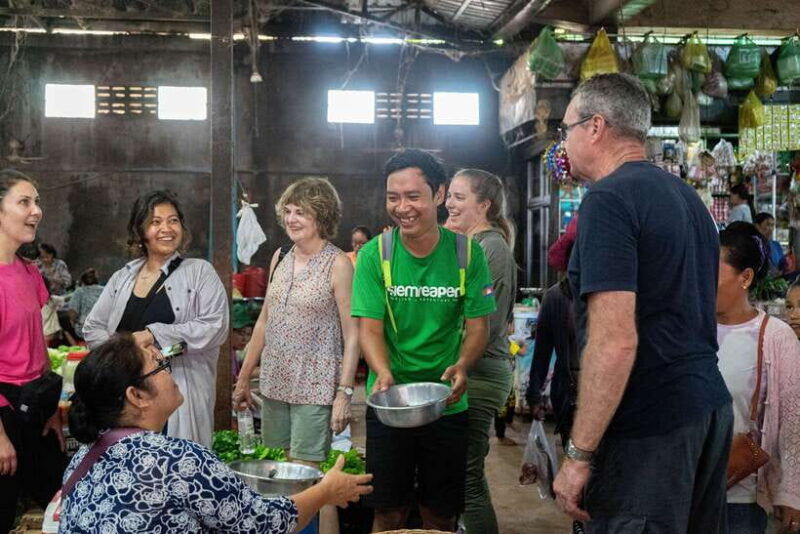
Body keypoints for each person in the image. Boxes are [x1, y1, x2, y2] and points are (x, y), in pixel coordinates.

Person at [553, 73, 733, 533]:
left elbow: (614, 342)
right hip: (705, 410)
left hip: (649, 423)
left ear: (595, 127)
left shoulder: (609, 199)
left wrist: (578, 454)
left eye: (565, 129)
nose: (564, 143)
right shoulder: (686, 198)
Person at [59, 333, 372, 534]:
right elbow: (265, 524)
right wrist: (326, 491)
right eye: (159, 365)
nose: (170, 369)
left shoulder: (83, 458)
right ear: (136, 396)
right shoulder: (177, 460)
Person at [352, 149, 495, 531]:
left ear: (438, 194)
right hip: (389, 402)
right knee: (387, 510)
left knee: (440, 513)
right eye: (393, 197)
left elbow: (478, 326)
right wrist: (381, 372)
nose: (402, 207)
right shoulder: (373, 255)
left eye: (413, 196)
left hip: (447, 403)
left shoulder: (468, 254)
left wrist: (463, 365)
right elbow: (369, 327)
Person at [82, 190, 228, 447]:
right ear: (141, 231)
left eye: (173, 221)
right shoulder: (122, 277)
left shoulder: (199, 272)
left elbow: (214, 327)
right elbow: (93, 328)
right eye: (155, 222)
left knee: (175, 469)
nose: (167, 228)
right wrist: (126, 356)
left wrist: (153, 336)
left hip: (175, 395)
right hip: (128, 400)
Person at [233, 178, 359, 465]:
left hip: (315, 385)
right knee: (278, 469)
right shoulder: (281, 256)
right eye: (288, 211)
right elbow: (264, 321)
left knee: (304, 474)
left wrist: (345, 392)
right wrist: (243, 380)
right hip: (275, 382)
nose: (291, 219)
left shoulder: (337, 263)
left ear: (321, 215)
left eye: (301, 212)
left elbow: (353, 335)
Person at [715, 222, 800, 534]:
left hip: (742, 496)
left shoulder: (775, 338)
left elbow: (793, 420)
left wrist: (791, 491)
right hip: (688, 490)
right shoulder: (691, 330)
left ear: (746, 277)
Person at [444, 168, 516, 534]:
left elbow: (482, 325)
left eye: (459, 197)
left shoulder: (492, 249)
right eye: (449, 196)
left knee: (467, 476)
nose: (449, 204)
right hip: (464, 372)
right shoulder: (470, 246)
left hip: (480, 374)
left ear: (484, 205)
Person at [0, 169, 66, 534]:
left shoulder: (29, 273)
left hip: (35, 407)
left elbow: (39, 346)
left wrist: (50, 408)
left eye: (37, 201)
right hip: (3, 410)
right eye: (24, 201)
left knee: (62, 498)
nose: (36, 210)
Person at [527, 219, 580, 448]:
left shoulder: (617, 296)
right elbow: (542, 351)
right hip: (569, 395)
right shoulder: (556, 297)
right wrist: (535, 394)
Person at [66, 268, 105, 340]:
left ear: (82, 281)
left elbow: (72, 313)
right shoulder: (105, 289)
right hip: (104, 330)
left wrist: (73, 322)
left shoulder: (80, 291)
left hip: (85, 330)